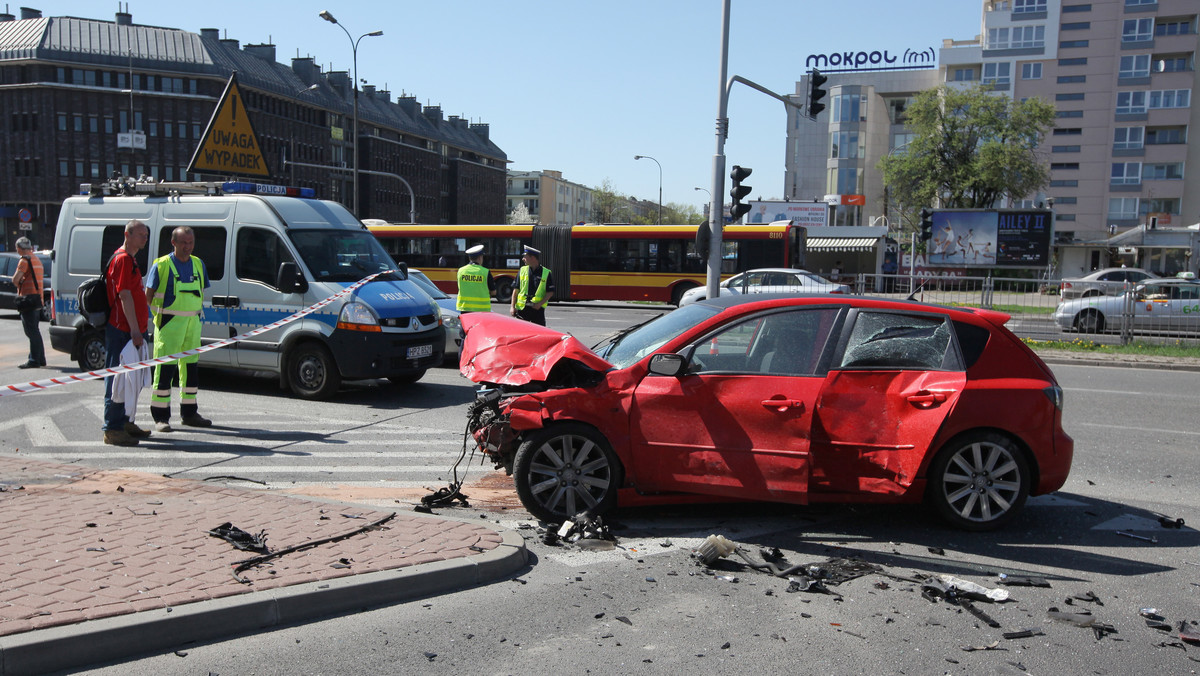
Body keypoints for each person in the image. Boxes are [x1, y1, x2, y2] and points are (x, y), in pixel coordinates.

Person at [145, 226, 212, 432]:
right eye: (183, 242)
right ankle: (161, 418)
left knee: (190, 371)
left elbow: (200, 292)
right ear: (173, 243)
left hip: (192, 325)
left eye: (190, 242)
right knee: (164, 371)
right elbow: (148, 295)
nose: (187, 247)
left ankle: (189, 413)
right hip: (169, 326)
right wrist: (158, 317)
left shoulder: (198, 264)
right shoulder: (162, 265)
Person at [103, 219, 153, 446]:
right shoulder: (123, 259)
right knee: (117, 380)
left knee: (130, 379)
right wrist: (134, 329)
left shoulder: (130, 259)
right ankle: (112, 428)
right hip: (123, 330)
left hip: (131, 330)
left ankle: (124, 421)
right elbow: (124, 296)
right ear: (128, 234)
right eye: (141, 234)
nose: (145, 238)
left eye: (146, 234)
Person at [12, 237, 46, 369]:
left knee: (31, 331)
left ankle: (34, 360)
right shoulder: (36, 259)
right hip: (38, 299)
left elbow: (15, 279)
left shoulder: (24, 261)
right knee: (35, 330)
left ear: (20, 248)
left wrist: (19, 282)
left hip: (28, 300)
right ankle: (40, 358)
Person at [510, 245, 554, 326]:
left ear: (532, 257)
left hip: (537, 309)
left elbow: (550, 292)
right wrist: (512, 307)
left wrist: (540, 304)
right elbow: (515, 290)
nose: (523, 259)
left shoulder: (546, 272)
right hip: (522, 309)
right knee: (522, 333)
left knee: (539, 334)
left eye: (525, 256)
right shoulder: (522, 270)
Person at [455, 244, 494, 313]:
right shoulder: (485, 272)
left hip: (465, 309)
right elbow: (493, 292)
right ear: (480, 257)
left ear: (470, 258)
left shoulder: (461, 271)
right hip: (482, 311)